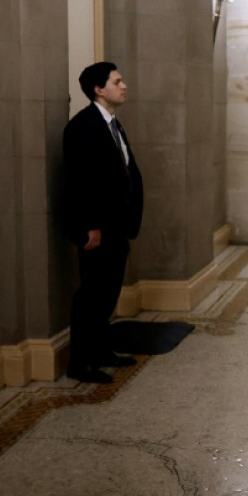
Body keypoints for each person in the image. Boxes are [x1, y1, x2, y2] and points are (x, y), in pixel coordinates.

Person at [63, 62, 144, 384]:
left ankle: (99, 351)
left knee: (108, 293)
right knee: (91, 296)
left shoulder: (112, 124)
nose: (124, 86)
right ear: (99, 89)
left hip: (117, 226)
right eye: (117, 81)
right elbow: (80, 182)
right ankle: (79, 363)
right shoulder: (83, 126)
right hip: (97, 229)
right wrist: (91, 226)